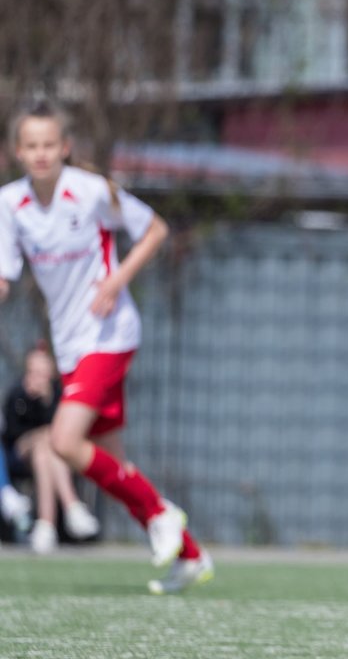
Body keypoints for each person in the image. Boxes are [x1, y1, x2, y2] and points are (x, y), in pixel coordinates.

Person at [0, 100, 213, 594]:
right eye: (31, 145)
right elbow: (5, 276)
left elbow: (155, 229)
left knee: (64, 442)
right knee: (114, 464)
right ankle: (190, 555)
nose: (41, 153)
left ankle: (161, 513)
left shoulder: (92, 191)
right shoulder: (10, 205)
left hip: (111, 333)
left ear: (65, 147)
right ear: (17, 151)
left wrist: (117, 279)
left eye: (49, 143)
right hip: (72, 346)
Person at [2, 344, 99, 553]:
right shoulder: (17, 393)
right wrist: (31, 402)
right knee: (47, 441)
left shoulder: (58, 394)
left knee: (45, 451)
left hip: (48, 455)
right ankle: (72, 505)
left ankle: (46, 526)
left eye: (42, 373)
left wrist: (46, 401)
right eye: (33, 372)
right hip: (20, 454)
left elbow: (66, 428)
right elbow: (11, 433)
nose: (37, 378)